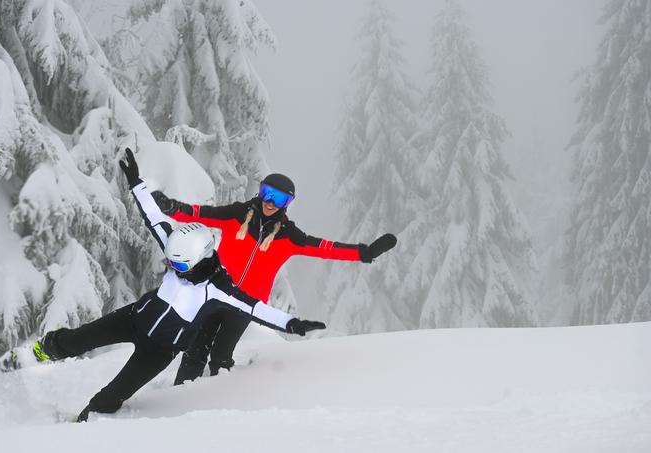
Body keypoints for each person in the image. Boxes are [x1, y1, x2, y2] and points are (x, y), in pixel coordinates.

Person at [30, 149, 325, 422]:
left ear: (199, 258)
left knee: (113, 395)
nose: (174, 268)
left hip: (159, 351)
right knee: (79, 339)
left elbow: (255, 308)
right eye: (172, 263)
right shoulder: (177, 247)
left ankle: (82, 425)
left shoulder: (217, 288)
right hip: (134, 318)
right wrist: (136, 183)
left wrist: (292, 324)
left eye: (180, 266)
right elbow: (153, 217)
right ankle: (42, 351)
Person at [152, 172, 397, 385]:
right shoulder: (237, 215)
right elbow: (203, 213)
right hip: (216, 293)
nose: (270, 202)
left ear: (287, 204)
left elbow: (324, 247)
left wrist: (363, 253)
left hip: (245, 303)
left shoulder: (289, 236)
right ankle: (180, 398)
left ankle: (218, 401)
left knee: (221, 355)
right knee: (196, 348)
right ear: (260, 192)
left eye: (279, 198)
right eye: (268, 193)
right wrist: (173, 207)